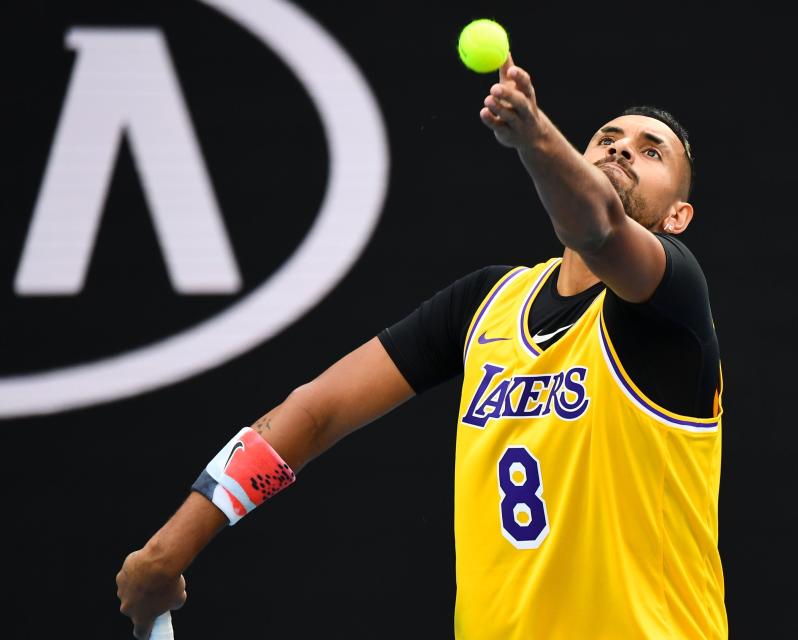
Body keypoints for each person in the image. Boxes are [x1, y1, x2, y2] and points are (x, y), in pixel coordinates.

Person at [117, 55, 726, 639]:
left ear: (678, 216)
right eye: (608, 138)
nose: (621, 148)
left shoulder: (670, 302)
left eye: (652, 152)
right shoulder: (487, 304)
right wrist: (168, 551)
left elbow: (597, 228)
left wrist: (537, 139)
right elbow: (315, 412)